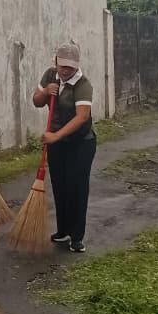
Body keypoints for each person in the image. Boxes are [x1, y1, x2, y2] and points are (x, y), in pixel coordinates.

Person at [31, 42, 96, 253]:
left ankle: (77, 236)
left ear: (77, 66)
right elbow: (37, 101)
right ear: (56, 62)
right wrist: (46, 92)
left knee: (77, 187)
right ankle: (63, 230)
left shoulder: (83, 84)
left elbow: (82, 116)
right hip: (58, 144)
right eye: (62, 65)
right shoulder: (50, 75)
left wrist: (56, 135)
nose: (66, 70)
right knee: (60, 185)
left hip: (81, 143)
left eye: (70, 67)